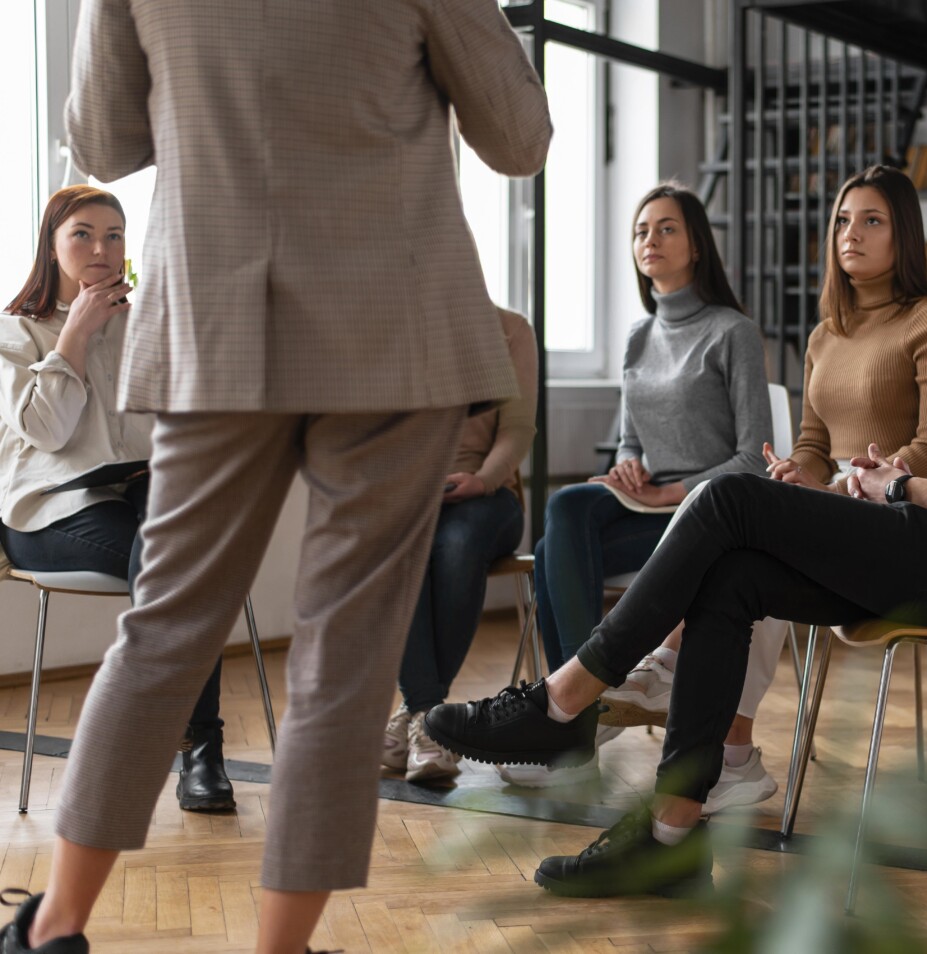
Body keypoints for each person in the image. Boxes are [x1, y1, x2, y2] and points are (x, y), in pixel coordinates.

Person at [425, 110, 927, 898]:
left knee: (728, 504)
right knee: (734, 575)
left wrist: (907, 487)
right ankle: (669, 837)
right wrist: (899, 485)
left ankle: (563, 700)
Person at [0, 2, 550, 953]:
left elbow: (100, 135)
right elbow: (519, 139)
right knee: (343, 663)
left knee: (165, 626)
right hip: (392, 331)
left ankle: (52, 928)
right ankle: (279, 949)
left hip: (211, 325)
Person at [599, 165, 927, 815]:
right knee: (750, 553)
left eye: (872, 220)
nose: (850, 234)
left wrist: (832, 486)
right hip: (835, 517)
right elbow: (811, 441)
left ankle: (669, 673)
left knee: (753, 531)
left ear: (903, 235)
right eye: (841, 221)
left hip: (903, 525)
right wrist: (799, 472)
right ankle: (733, 755)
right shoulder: (827, 335)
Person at [505, 182, 773, 788]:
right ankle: (584, 708)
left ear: (697, 244)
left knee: (558, 531)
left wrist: (669, 494)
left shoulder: (732, 333)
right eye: (640, 231)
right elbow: (630, 439)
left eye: (666, 228)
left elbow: (752, 461)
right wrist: (629, 466)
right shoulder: (637, 336)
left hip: (705, 515)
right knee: (565, 518)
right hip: (646, 504)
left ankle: (572, 721)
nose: (649, 239)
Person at [0, 185, 236, 814]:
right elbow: (46, 432)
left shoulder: (150, 325)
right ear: (52, 245)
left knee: (184, 550)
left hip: (143, 496)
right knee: (184, 568)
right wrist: (75, 330)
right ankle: (196, 746)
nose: (100, 249)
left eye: (113, 235)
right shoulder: (16, 331)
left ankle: (178, 740)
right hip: (51, 511)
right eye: (82, 234)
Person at [381, 306, 537, 782]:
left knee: (459, 541)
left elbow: (517, 427)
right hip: (416, 498)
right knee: (394, 546)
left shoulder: (510, 330)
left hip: (489, 498)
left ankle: (419, 714)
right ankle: (430, 718)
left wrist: (483, 479)